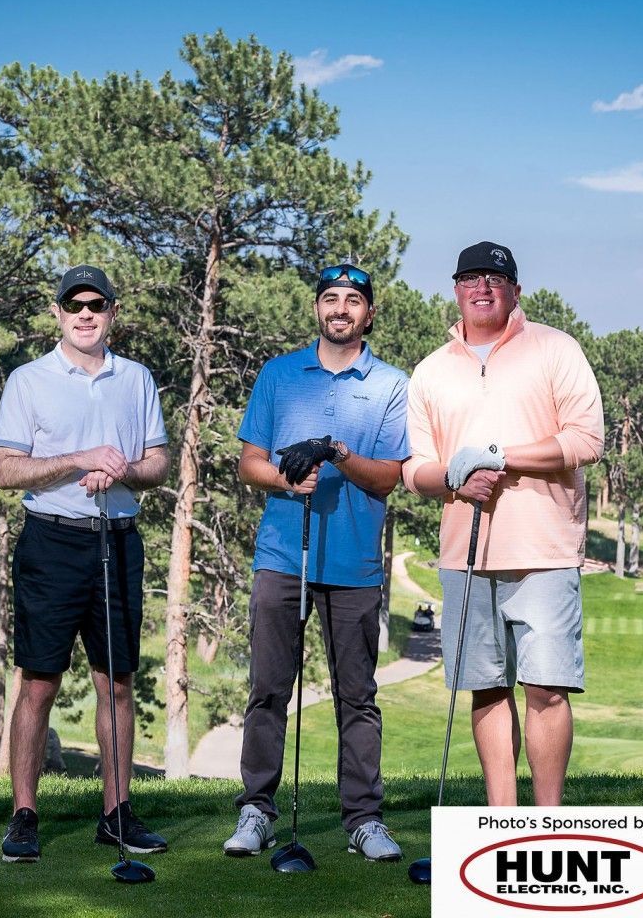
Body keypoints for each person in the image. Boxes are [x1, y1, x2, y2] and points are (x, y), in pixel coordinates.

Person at [402, 241, 604, 806]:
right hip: (464, 553)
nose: (482, 287)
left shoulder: (555, 350)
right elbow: (414, 469)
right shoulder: (430, 372)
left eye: (495, 277)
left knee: (546, 687)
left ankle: (547, 819)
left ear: (515, 290)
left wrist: (497, 454)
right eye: (471, 278)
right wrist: (454, 479)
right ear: (456, 289)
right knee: (485, 688)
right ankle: (502, 818)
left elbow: (586, 440)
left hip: (544, 548)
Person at [223, 262, 409, 862]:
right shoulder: (279, 375)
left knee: (357, 695)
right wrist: (287, 478)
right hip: (282, 556)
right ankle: (256, 811)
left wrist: (337, 454)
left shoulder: (389, 384)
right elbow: (249, 463)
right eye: (330, 298)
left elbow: (388, 480)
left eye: (352, 300)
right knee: (269, 689)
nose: (340, 309)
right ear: (316, 310)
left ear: (368, 314)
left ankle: (363, 819)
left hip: (354, 563)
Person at [0, 264, 171, 864]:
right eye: (75, 305)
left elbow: (157, 464)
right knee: (38, 682)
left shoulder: (137, 379)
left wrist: (121, 468)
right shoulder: (29, 380)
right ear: (58, 313)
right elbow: (7, 469)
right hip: (52, 541)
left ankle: (115, 813)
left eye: (97, 304)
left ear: (113, 312)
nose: (86, 314)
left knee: (116, 682)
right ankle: (24, 815)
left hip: (118, 539)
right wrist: (79, 459)